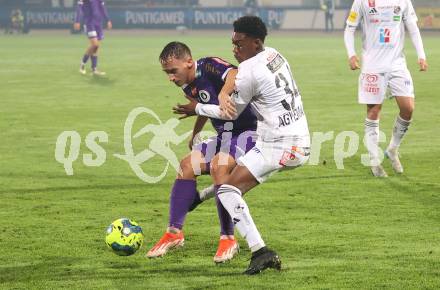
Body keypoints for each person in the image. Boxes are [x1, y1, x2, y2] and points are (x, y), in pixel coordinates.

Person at [175, 16, 310, 275]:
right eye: (232, 43)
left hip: (279, 144)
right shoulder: (275, 54)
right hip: (298, 139)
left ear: (256, 42)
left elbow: (229, 114)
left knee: (227, 190)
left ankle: (261, 251)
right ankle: (201, 199)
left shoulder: (249, 70)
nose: (234, 49)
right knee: (231, 187)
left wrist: (197, 108)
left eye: (239, 44)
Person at [146, 41, 258, 263]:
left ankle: (228, 239)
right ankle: (174, 233)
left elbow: (235, 73)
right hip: (226, 136)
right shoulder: (187, 84)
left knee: (219, 166)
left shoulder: (208, 65)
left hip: (251, 133)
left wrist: (225, 93)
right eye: (166, 73)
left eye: (172, 71)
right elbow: (204, 106)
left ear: (188, 62)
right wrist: (194, 133)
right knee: (187, 165)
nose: (170, 77)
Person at [344, 0, 428, 177]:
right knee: (373, 112)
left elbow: (413, 27)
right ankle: (375, 161)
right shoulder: (362, 1)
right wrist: (351, 54)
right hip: (372, 66)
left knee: (408, 108)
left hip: (397, 64)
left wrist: (421, 55)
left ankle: (392, 149)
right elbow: (350, 28)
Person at [73, 0, 112, 76]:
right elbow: (79, 7)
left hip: (98, 22)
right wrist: (77, 21)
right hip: (89, 22)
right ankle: (82, 64)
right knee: (95, 45)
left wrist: (108, 20)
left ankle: (94, 69)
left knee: (96, 47)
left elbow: (102, 7)